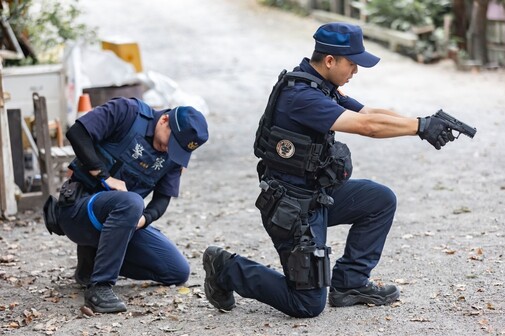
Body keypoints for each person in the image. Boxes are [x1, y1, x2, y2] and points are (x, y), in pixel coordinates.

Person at [202, 22, 455, 318]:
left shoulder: (322, 86)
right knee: (307, 304)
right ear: (331, 61)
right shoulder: (302, 97)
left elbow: (369, 112)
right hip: (292, 209)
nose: (356, 71)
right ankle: (227, 267)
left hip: (318, 195)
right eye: (352, 64)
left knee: (380, 200)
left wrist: (421, 120)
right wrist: (419, 129)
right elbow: (368, 127)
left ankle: (350, 284)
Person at [54, 97, 208, 313]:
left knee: (177, 271)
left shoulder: (173, 156)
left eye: (176, 149)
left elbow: (162, 199)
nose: (167, 150)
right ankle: (100, 288)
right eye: (168, 143)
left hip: (121, 221)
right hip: (79, 210)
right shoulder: (127, 111)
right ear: (164, 120)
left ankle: (90, 264)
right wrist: (103, 175)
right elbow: (77, 133)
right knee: (132, 201)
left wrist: (144, 219)